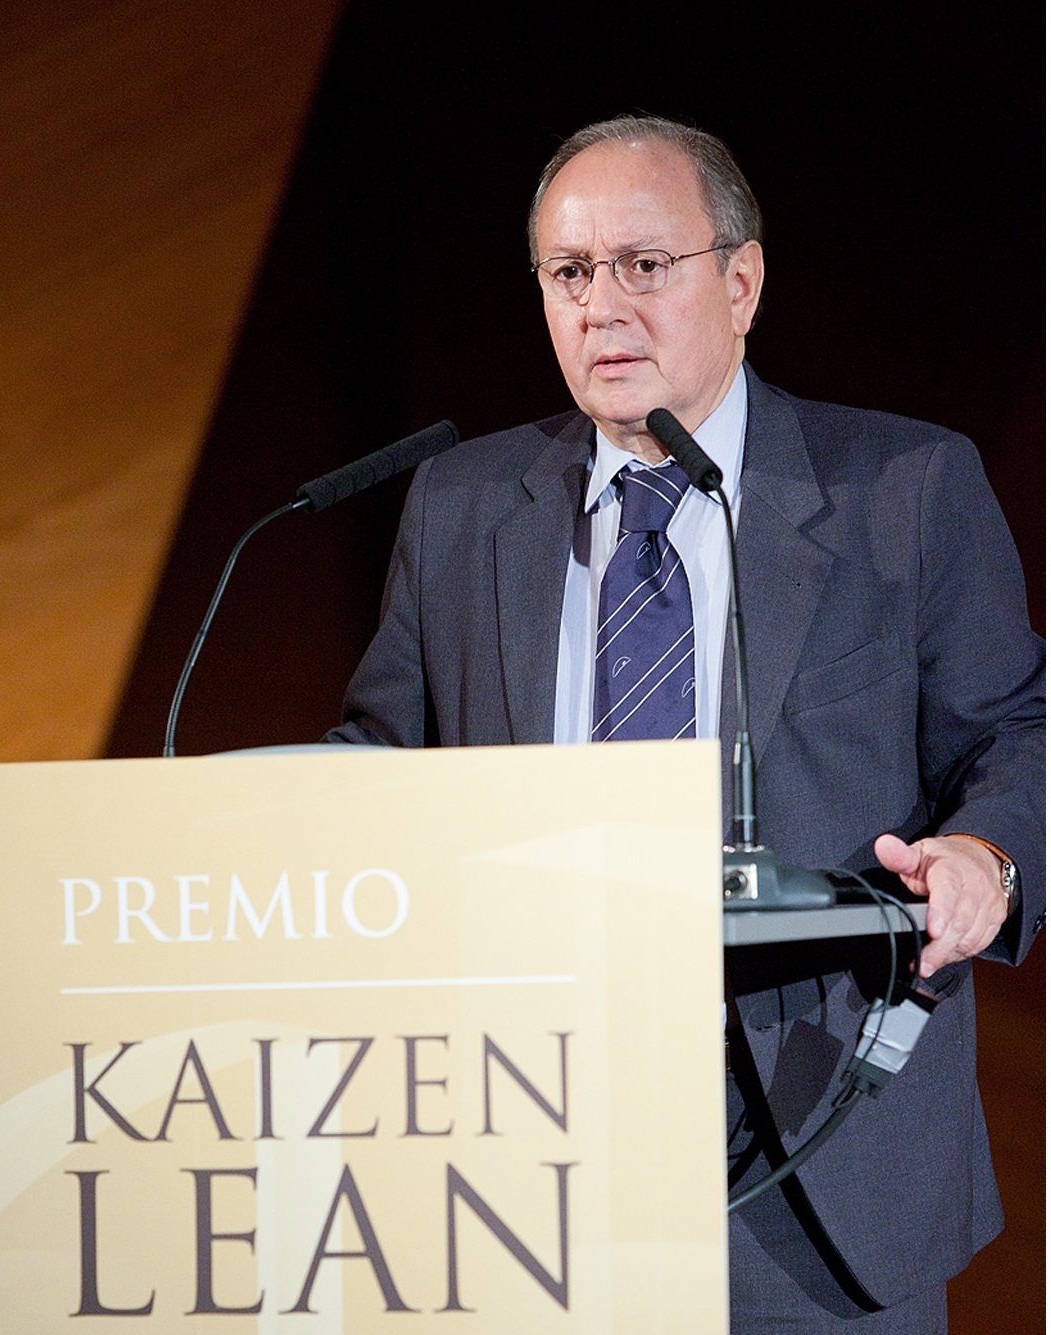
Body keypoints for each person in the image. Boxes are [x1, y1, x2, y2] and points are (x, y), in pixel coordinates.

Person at [326, 114, 1044, 1331]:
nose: (601, 307)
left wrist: (985, 854)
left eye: (643, 265)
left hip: (816, 1150)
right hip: (520, 1146)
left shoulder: (904, 490)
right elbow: (384, 762)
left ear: (741, 281)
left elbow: (1017, 729)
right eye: (568, 273)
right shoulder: (459, 505)